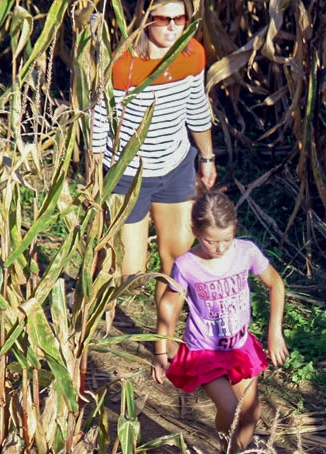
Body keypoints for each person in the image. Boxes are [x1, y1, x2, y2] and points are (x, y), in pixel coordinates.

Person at [152, 190, 287, 454]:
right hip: (204, 353)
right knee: (230, 408)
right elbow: (168, 304)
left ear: (235, 228)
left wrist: (274, 332)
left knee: (252, 412)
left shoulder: (246, 252)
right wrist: (161, 351)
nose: (219, 247)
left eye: (226, 238)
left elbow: (275, 283)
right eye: (211, 240)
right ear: (195, 231)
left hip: (240, 348)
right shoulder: (187, 264)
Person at [90, 0, 216, 303]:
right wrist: (96, 177)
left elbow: (196, 106)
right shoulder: (122, 63)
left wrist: (207, 157)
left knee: (178, 260)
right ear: (146, 19)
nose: (173, 26)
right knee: (128, 271)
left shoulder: (192, 53)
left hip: (175, 167)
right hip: (128, 175)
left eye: (180, 19)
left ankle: (163, 345)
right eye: (163, 19)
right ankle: (93, 322)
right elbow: (98, 124)